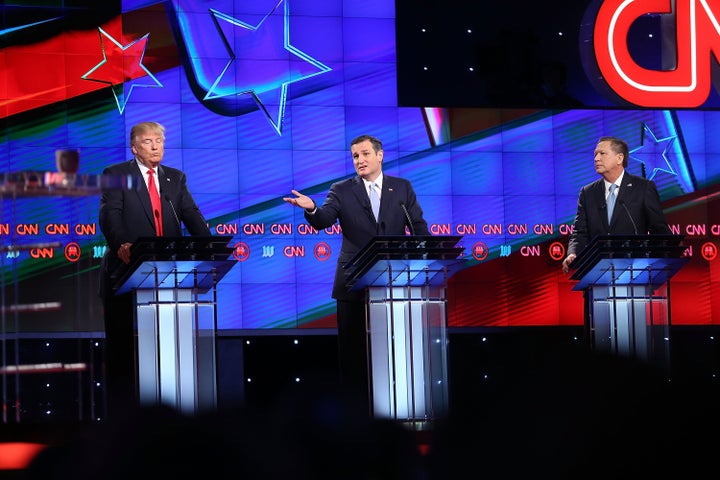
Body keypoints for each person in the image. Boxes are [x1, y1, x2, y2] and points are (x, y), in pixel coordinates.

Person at [283, 134, 430, 413]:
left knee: (391, 350)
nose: (359, 160)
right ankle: (354, 414)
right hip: (353, 283)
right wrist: (312, 208)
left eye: (364, 154)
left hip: (393, 283)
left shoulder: (401, 188)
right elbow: (324, 220)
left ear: (380, 155)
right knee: (353, 356)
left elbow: (419, 227)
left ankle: (396, 409)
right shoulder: (341, 189)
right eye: (355, 156)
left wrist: (427, 253)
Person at [98, 121, 211, 417]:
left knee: (166, 345)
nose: (156, 145)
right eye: (148, 141)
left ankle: (174, 413)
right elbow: (111, 216)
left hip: (169, 273)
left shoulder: (175, 178)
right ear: (134, 147)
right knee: (122, 349)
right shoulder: (116, 175)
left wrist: (209, 246)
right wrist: (122, 243)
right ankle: (121, 417)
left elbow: (191, 215)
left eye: (159, 140)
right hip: (125, 271)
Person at [562, 136, 671, 274]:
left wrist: (657, 263)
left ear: (619, 158)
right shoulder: (588, 192)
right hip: (597, 273)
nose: (596, 158)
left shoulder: (643, 188)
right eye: (595, 154)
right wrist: (573, 253)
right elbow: (580, 232)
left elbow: (659, 230)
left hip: (635, 272)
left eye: (602, 153)